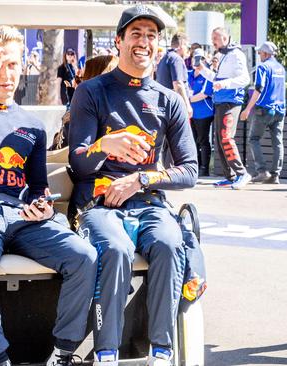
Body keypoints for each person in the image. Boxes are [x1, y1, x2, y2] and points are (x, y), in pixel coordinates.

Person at [0, 25, 97, 366]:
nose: (9, 74)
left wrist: (42, 204)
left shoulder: (32, 125)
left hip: (20, 218)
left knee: (84, 255)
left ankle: (64, 352)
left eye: (15, 64)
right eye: (1, 64)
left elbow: (37, 185)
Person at [67, 5, 197, 365]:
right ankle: (106, 354)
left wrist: (141, 179)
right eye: (136, 34)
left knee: (172, 245)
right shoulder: (91, 92)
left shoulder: (168, 100)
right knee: (115, 249)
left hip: (148, 203)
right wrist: (102, 145)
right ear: (119, 41)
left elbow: (189, 171)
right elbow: (77, 164)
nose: (144, 42)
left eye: (151, 36)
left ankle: (162, 352)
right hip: (98, 205)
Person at [240, 41, 287, 184]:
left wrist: (247, 109)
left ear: (266, 53)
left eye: (260, 53)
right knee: (278, 142)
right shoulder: (281, 68)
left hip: (264, 110)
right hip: (280, 110)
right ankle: (275, 175)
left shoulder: (263, 67)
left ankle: (262, 171)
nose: (259, 55)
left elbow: (258, 89)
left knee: (253, 138)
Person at [211, 27, 252, 189]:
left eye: (215, 37)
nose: (213, 41)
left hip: (231, 101)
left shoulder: (236, 54)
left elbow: (245, 79)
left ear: (226, 38)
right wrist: (206, 72)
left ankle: (242, 174)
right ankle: (230, 176)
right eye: (212, 37)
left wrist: (225, 83)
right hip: (221, 101)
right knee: (220, 140)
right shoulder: (224, 55)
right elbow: (218, 80)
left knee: (226, 137)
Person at [50, 55, 118, 151]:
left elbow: (59, 151)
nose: (74, 83)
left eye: (79, 78)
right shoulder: (122, 113)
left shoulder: (82, 116)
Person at [187, 48, 214, 176]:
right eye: (194, 57)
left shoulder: (208, 75)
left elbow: (205, 93)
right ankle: (195, 167)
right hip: (190, 113)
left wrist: (186, 100)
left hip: (204, 113)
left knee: (203, 140)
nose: (195, 61)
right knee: (192, 141)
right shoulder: (188, 74)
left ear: (204, 60)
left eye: (199, 58)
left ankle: (204, 169)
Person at [156, 32, 193, 118]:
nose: (188, 50)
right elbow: (178, 84)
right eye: (187, 47)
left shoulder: (165, 58)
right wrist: (187, 106)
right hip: (174, 107)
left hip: (165, 106)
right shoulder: (176, 58)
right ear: (181, 45)